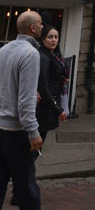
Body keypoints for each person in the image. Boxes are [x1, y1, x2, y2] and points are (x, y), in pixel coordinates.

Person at [0, 11, 43, 210]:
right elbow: (25, 103)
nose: (43, 27)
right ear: (33, 28)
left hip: (0, 127)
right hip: (17, 132)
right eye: (41, 24)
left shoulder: (4, 50)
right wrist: (33, 132)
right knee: (26, 187)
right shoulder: (31, 53)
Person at [36, 26, 68, 142]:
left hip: (49, 104)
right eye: (50, 37)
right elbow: (43, 86)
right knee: (36, 144)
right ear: (43, 39)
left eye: (56, 37)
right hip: (43, 107)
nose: (54, 40)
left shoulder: (53, 55)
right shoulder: (43, 57)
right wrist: (58, 109)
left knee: (39, 143)